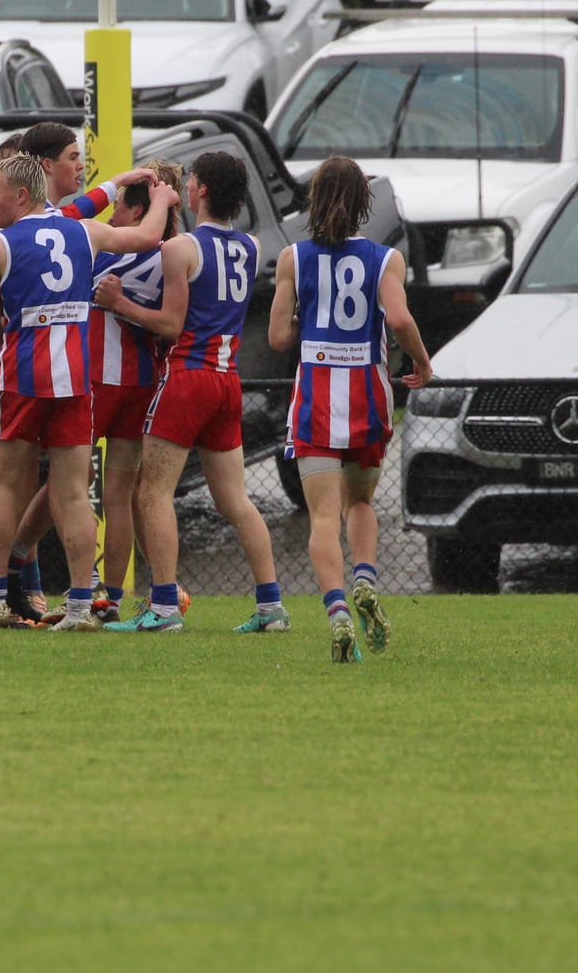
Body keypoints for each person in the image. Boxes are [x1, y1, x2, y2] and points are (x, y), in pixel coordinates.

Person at [0, 153, 177, 630]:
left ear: (21, 195)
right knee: (76, 495)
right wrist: (162, 199)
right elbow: (147, 237)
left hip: (21, 380)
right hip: (76, 382)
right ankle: (81, 605)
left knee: (3, 488)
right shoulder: (84, 231)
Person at [103, 151, 284, 636]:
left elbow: (170, 324)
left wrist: (119, 302)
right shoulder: (250, 245)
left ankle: (164, 607)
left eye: (192, 182)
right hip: (227, 380)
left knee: (152, 492)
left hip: (187, 378)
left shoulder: (181, 247)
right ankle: (271, 606)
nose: (185, 189)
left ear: (202, 190)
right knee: (236, 500)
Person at [269, 154, 433, 663]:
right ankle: (365, 578)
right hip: (366, 394)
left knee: (322, 517)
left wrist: (306, 319)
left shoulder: (293, 258)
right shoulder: (386, 259)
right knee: (359, 503)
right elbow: (399, 319)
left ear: (313, 199)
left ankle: (338, 611)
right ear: (365, 202)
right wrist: (421, 360)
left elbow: (278, 338)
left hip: (317, 395)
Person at [82, 157, 184, 622]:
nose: (112, 214)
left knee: (70, 486)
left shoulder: (107, 250)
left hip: (94, 381)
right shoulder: (173, 254)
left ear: (139, 211)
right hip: (141, 381)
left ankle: (80, 590)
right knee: (119, 496)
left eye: (120, 206)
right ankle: (112, 598)